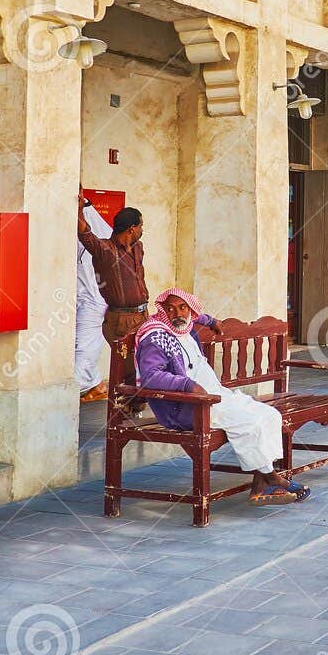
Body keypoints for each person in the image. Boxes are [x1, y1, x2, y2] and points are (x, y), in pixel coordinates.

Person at [135, 289, 306, 505]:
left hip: (218, 396)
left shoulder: (186, 327)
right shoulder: (157, 337)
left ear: (190, 310)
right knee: (249, 422)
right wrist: (188, 385)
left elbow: (197, 316)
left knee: (270, 415)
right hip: (188, 407)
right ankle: (271, 477)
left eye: (182, 307)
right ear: (162, 311)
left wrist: (211, 320)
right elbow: (151, 377)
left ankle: (261, 484)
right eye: (170, 309)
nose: (176, 313)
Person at [78, 198, 149, 349]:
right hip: (121, 320)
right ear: (131, 229)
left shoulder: (138, 248)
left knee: (144, 365)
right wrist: (80, 208)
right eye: (140, 226)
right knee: (125, 366)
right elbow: (85, 234)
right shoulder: (105, 250)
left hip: (143, 316)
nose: (142, 230)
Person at [75, 200, 113, 403]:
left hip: (92, 299)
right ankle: (95, 384)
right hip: (80, 297)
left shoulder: (99, 233)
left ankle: (72, 391)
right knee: (81, 344)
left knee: (83, 346)